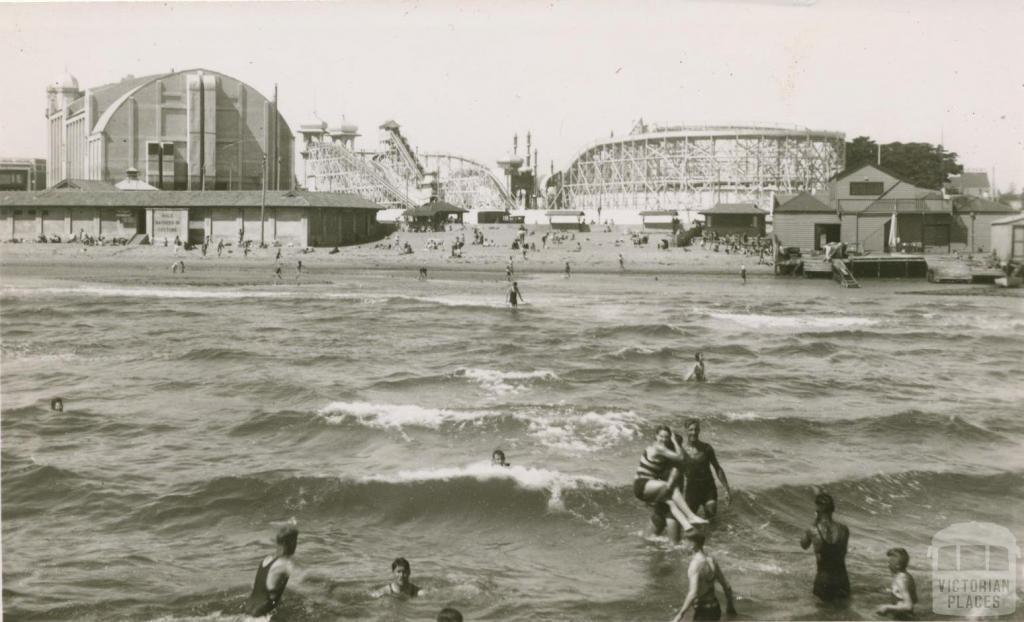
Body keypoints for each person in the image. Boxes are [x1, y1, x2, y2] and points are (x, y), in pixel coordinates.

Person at [635, 426, 708, 534]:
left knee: (671, 506)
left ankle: (687, 524)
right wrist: (675, 441)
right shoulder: (660, 449)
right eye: (661, 436)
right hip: (644, 485)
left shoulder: (666, 460)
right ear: (656, 436)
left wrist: (652, 498)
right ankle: (691, 517)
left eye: (667, 438)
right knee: (672, 490)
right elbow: (680, 460)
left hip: (652, 491)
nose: (664, 440)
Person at [671, 531, 737, 621]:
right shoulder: (711, 560)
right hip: (715, 609)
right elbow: (727, 586)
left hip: (703, 612)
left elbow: (692, 593)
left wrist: (680, 615)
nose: (682, 544)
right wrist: (730, 606)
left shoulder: (695, 565)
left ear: (693, 544)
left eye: (685, 541)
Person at [800, 492, 850, 602]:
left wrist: (815, 521)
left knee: (822, 614)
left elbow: (804, 545)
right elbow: (840, 551)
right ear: (832, 509)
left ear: (818, 509)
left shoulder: (812, 530)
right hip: (842, 580)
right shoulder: (844, 529)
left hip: (824, 581)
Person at [679, 418, 731, 519]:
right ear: (685, 430)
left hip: (708, 487)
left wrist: (726, 489)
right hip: (692, 489)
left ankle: (714, 535)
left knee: (711, 517)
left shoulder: (707, 448)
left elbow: (717, 468)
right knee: (691, 521)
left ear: (699, 431)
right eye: (691, 429)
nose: (694, 432)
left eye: (696, 429)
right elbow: (676, 472)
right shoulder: (681, 451)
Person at [243, 525, 298, 616]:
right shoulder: (285, 563)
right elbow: (302, 580)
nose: (296, 545)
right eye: (295, 541)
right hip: (262, 612)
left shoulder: (266, 560)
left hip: (248, 607)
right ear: (289, 543)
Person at [876, 548, 917, 620]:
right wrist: (892, 591)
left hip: (903, 617)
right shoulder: (907, 576)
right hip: (909, 616)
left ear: (898, 566)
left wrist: (887, 607)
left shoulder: (900, 580)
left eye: (889, 563)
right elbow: (915, 599)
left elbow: (908, 606)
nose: (887, 565)